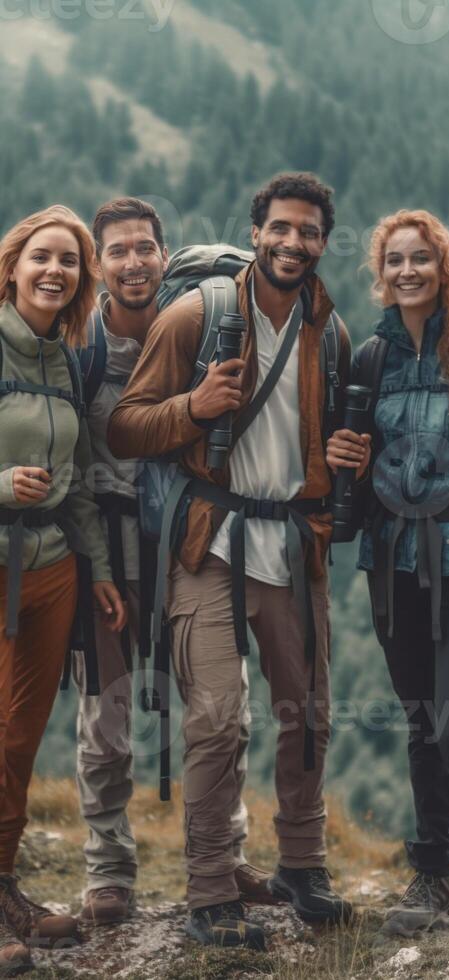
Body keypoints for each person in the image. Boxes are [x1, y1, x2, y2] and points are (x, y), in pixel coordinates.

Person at [109, 173, 365, 950]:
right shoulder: (198, 314)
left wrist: (347, 455)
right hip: (208, 543)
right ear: (256, 233)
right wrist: (196, 408)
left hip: (292, 542)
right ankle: (212, 889)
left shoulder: (334, 331)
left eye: (309, 232)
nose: (294, 243)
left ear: (323, 242)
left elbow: (328, 442)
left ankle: (301, 866)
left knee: (307, 714)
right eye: (280, 228)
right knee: (218, 719)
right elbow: (125, 427)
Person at [76, 197, 271, 926]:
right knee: (106, 711)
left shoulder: (188, 328)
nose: (133, 262)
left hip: (187, 539)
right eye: (118, 250)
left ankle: (229, 853)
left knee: (221, 701)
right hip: (104, 547)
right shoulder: (82, 345)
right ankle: (108, 870)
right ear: (100, 264)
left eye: (144, 249)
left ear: (164, 255)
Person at [327, 209, 449, 938]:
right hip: (390, 562)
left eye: (421, 259)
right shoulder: (370, 359)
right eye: (395, 261)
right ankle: (437, 876)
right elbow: (351, 453)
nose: (408, 271)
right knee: (421, 721)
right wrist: (340, 457)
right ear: (380, 273)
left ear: (443, 265)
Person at [0, 205, 126, 976]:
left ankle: (5, 887)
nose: (55, 271)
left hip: (50, 573)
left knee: (17, 738)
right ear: (12, 265)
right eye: (42, 257)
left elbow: (77, 487)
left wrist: (102, 571)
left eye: (70, 262)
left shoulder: (71, 358)